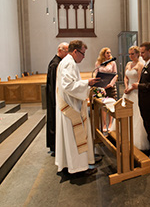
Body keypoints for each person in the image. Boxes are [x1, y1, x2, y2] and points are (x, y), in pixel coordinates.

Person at [55, 40, 100, 175]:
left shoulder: (66, 61)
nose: (84, 56)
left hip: (68, 105)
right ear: (75, 51)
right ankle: (78, 169)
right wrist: (87, 83)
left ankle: (71, 166)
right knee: (75, 139)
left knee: (72, 140)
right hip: (71, 108)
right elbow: (68, 86)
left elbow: (70, 84)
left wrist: (84, 84)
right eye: (83, 53)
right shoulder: (69, 63)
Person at [122, 46, 150, 150]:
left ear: (138, 54)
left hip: (135, 91)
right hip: (127, 91)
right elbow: (126, 77)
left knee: (136, 114)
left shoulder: (140, 65)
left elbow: (139, 81)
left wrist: (131, 88)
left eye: (132, 54)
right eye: (129, 54)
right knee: (124, 112)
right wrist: (126, 87)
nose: (130, 56)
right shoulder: (128, 64)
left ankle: (136, 138)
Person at [46, 42, 69, 155]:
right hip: (54, 98)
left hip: (55, 97)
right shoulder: (55, 64)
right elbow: (55, 84)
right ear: (60, 50)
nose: (68, 54)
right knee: (54, 121)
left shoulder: (59, 62)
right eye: (66, 51)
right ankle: (55, 146)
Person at [94, 47, 118, 131]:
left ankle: (110, 123)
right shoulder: (98, 63)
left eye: (110, 53)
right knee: (103, 105)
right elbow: (96, 74)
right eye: (107, 53)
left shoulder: (113, 63)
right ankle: (104, 124)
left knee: (110, 104)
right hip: (101, 86)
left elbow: (115, 74)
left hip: (110, 86)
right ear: (103, 54)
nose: (109, 54)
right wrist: (99, 85)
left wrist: (111, 84)